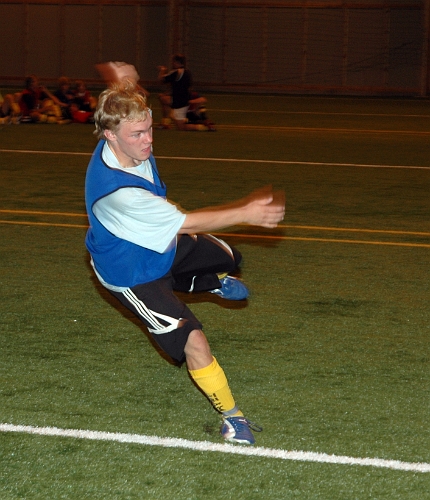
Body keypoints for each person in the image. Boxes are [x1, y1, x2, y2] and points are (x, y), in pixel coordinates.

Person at [85, 63, 285, 445]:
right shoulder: (120, 194)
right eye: (137, 134)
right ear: (110, 135)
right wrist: (246, 212)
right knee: (195, 340)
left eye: (149, 129)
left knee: (230, 257)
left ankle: (210, 281)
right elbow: (186, 223)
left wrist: (122, 79)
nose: (148, 140)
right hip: (133, 274)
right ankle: (233, 418)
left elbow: (125, 98)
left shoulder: (119, 125)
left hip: (160, 244)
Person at [157, 54, 193, 130]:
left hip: (178, 102)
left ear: (176, 62)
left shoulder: (176, 72)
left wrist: (162, 70)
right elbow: (182, 88)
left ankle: (203, 127)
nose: (172, 63)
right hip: (185, 100)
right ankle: (167, 122)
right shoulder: (188, 72)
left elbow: (161, 80)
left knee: (181, 127)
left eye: (173, 62)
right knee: (163, 98)